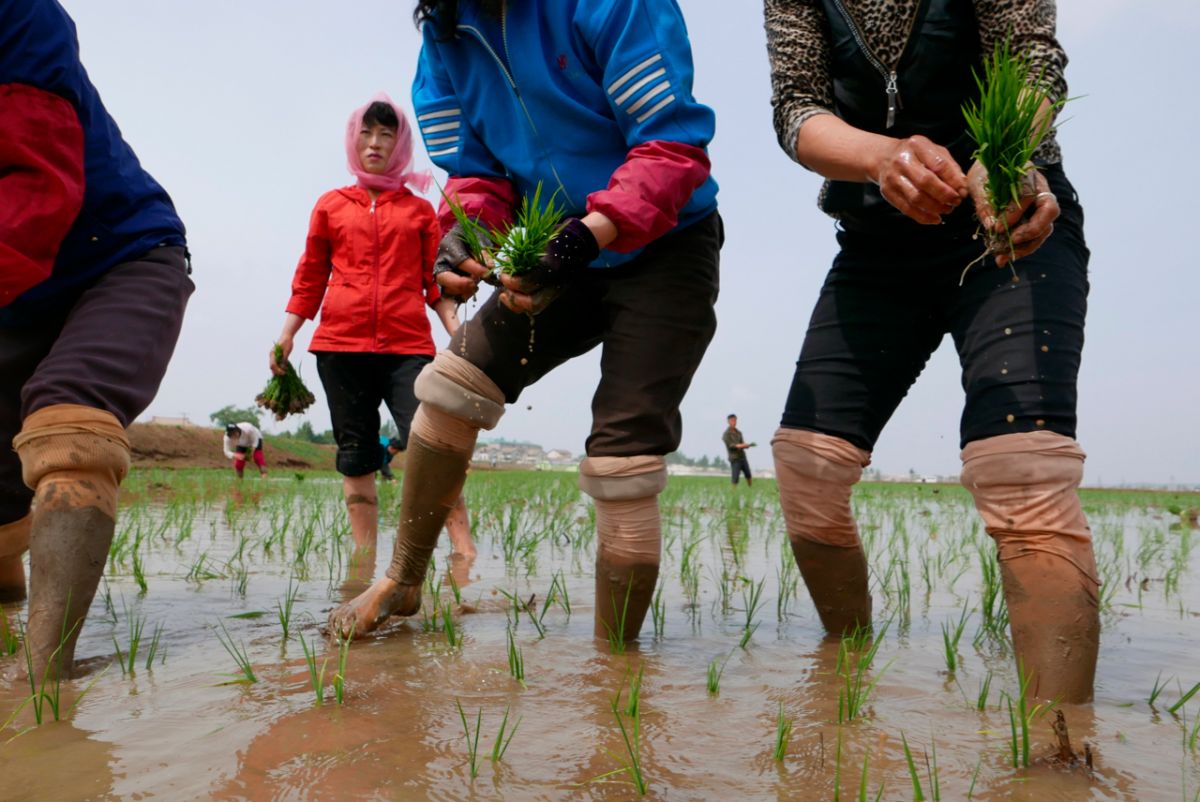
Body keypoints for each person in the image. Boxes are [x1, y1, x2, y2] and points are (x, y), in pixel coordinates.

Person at [329, 0, 721, 643]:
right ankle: (401, 579)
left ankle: (613, 667)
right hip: (550, 246)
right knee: (449, 388)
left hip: (665, 243)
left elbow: (670, 145)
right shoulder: (446, 36)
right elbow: (477, 171)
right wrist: (467, 236)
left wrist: (584, 239)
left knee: (623, 460)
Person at [764, 0, 1097, 702]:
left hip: (1007, 218)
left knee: (1022, 473)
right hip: (879, 240)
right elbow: (797, 108)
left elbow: (1036, 65)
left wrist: (1001, 164)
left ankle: (1060, 752)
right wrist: (883, 158)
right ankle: (843, 684)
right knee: (808, 468)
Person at [0, 0, 192, 679]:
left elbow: (37, 187)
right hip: (12, 296)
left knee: (68, 426)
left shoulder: (17, 15)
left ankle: (43, 681)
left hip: (117, 255)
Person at [271, 94, 474, 557]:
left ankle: (465, 554)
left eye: (387, 134)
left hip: (408, 347)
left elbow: (434, 282)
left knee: (434, 446)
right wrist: (287, 334)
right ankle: (363, 562)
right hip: (340, 348)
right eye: (367, 133)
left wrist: (458, 335)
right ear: (353, 140)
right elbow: (310, 277)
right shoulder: (331, 206)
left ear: (400, 144)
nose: (375, 143)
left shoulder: (420, 211)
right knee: (356, 455)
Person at [723, 414, 753, 487]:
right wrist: (742, 445)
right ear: (728, 421)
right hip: (735, 458)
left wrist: (747, 446)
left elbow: (742, 443)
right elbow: (731, 445)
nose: (734, 422)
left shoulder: (739, 433)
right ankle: (733, 493)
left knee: (748, 474)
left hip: (742, 456)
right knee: (735, 477)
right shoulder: (726, 434)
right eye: (732, 420)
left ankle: (751, 488)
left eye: (735, 420)